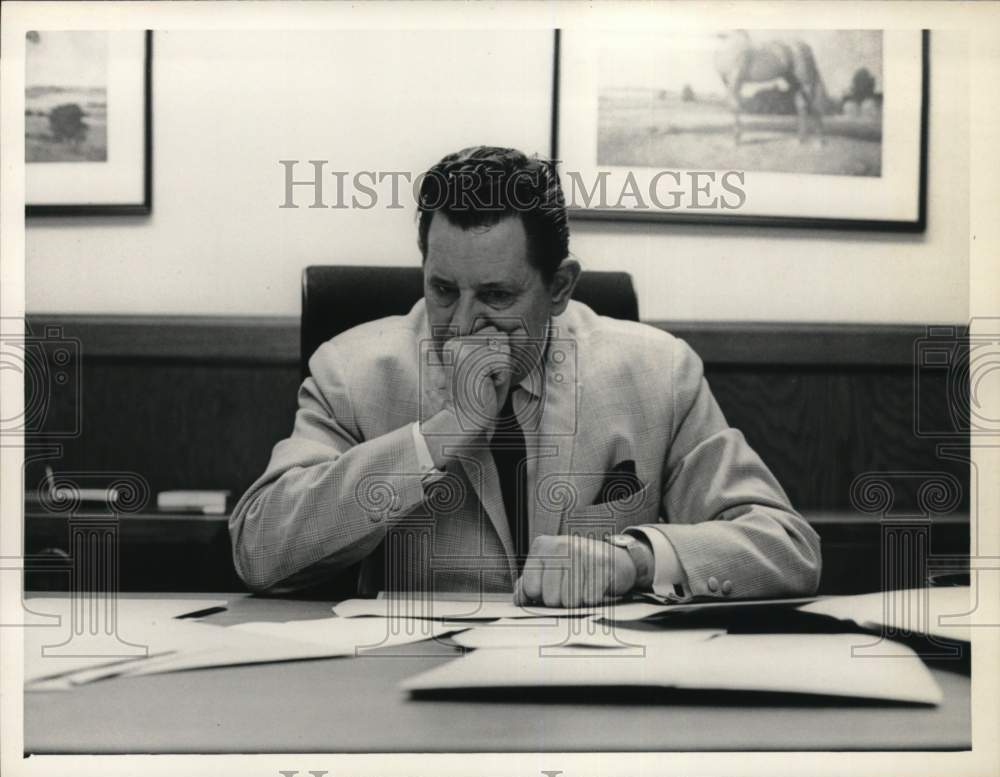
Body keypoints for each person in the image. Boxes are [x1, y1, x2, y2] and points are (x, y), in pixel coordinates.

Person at [229, 145, 821, 605]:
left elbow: (785, 546)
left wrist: (634, 559)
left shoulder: (658, 373)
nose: (461, 325)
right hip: (408, 692)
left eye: (495, 295)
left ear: (559, 286)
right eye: (441, 290)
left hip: (590, 693)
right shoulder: (351, 371)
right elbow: (260, 548)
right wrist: (435, 437)